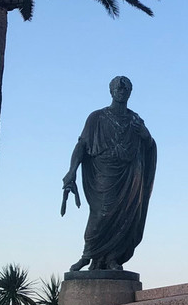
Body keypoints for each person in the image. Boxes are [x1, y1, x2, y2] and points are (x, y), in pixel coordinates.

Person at [62, 76, 156, 271]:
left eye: (126, 89)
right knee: (101, 213)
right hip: (103, 174)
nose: (122, 92)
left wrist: (146, 136)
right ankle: (88, 255)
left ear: (130, 93)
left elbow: (148, 146)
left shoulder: (135, 120)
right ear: (111, 91)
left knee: (125, 217)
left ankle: (113, 257)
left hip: (130, 176)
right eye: (118, 89)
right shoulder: (96, 117)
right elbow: (82, 145)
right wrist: (72, 170)